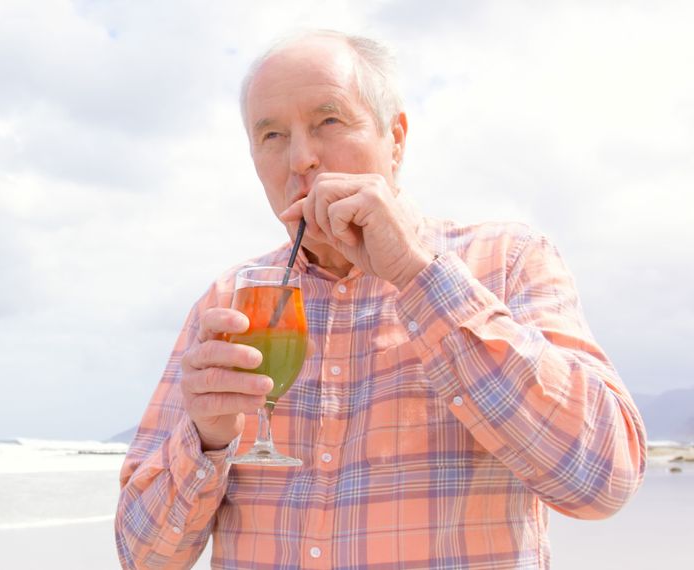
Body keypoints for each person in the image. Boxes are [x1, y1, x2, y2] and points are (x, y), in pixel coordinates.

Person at [114, 29, 647, 569]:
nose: (301, 159)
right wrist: (204, 440)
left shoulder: (507, 261)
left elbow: (604, 481)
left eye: (329, 121)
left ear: (395, 138)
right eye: (272, 135)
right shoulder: (229, 300)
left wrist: (418, 276)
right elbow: (142, 558)